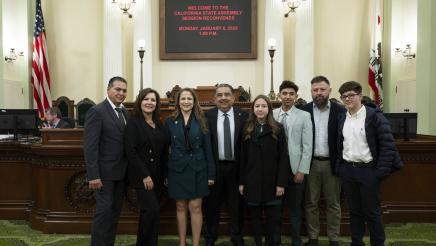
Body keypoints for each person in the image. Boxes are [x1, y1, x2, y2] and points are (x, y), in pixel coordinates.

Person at [336, 81, 403, 246]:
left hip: (368, 171)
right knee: (354, 212)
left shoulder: (374, 116)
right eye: (344, 96)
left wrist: (379, 173)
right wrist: (341, 168)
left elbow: (388, 146)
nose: (347, 99)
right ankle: (356, 242)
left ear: (360, 95)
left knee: (372, 212)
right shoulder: (341, 117)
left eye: (351, 95)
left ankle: (377, 243)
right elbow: (338, 144)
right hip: (348, 171)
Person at [164, 88, 216, 246]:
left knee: (196, 207)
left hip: (198, 168)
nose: (186, 102)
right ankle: (182, 243)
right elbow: (165, 150)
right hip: (177, 168)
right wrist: (165, 174)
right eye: (183, 99)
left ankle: (195, 243)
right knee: (180, 206)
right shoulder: (169, 121)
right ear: (178, 101)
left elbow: (208, 149)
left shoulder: (203, 120)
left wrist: (211, 174)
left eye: (189, 99)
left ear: (194, 102)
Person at [300, 76, 346, 246]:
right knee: (311, 202)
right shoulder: (303, 110)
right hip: (310, 163)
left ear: (329, 91)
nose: (319, 93)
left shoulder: (340, 111)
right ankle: (313, 238)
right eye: (315, 90)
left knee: (333, 204)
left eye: (322, 89)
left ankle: (334, 238)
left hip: (331, 164)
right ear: (311, 91)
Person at [84, 76, 129, 246]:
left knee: (114, 213)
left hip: (121, 173)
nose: (121, 93)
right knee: (103, 214)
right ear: (108, 89)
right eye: (118, 89)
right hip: (103, 175)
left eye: (124, 90)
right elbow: (90, 147)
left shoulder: (124, 111)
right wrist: (93, 175)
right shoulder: (97, 111)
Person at [239, 95, 289, 246]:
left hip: (272, 181)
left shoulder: (278, 128)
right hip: (252, 181)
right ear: (253, 109)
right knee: (255, 218)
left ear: (269, 109)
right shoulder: (247, 128)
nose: (260, 109)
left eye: (263, 106)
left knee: (272, 219)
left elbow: (283, 158)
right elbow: (242, 158)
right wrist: (241, 182)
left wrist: (281, 183)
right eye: (257, 106)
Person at [204, 84, 248, 246]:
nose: (223, 97)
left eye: (227, 94)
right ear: (214, 98)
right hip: (214, 168)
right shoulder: (207, 116)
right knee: (211, 205)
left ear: (233, 98)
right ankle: (209, 237)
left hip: (236, 168)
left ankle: (236, 237)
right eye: (220, 95)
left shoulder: (244, 116)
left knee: (236, 205)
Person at [124, 88, 168, 246]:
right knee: (152, 210)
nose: (150, 102)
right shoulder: (133, 122)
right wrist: (145, 175)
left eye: (153, 100)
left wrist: (165, 175)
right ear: (140, 102)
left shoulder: (159, 123)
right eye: (146, 99)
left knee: (148, 213)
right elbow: (131, 152)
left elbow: (163, 152)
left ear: (157, 104)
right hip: (142, 176)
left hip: (157, 175)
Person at [273, 80, 313, 246]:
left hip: (296, 169)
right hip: (275, 171)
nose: (288, 97)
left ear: (296, 97)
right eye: (285, 93)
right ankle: (276, 240)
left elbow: (307, 146)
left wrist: (302, 170)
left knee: (295, 209)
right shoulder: (272, 114)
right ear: (279, 95)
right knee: (276, 209)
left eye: (291, 94)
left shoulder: (304, 116)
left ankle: (296, 240)